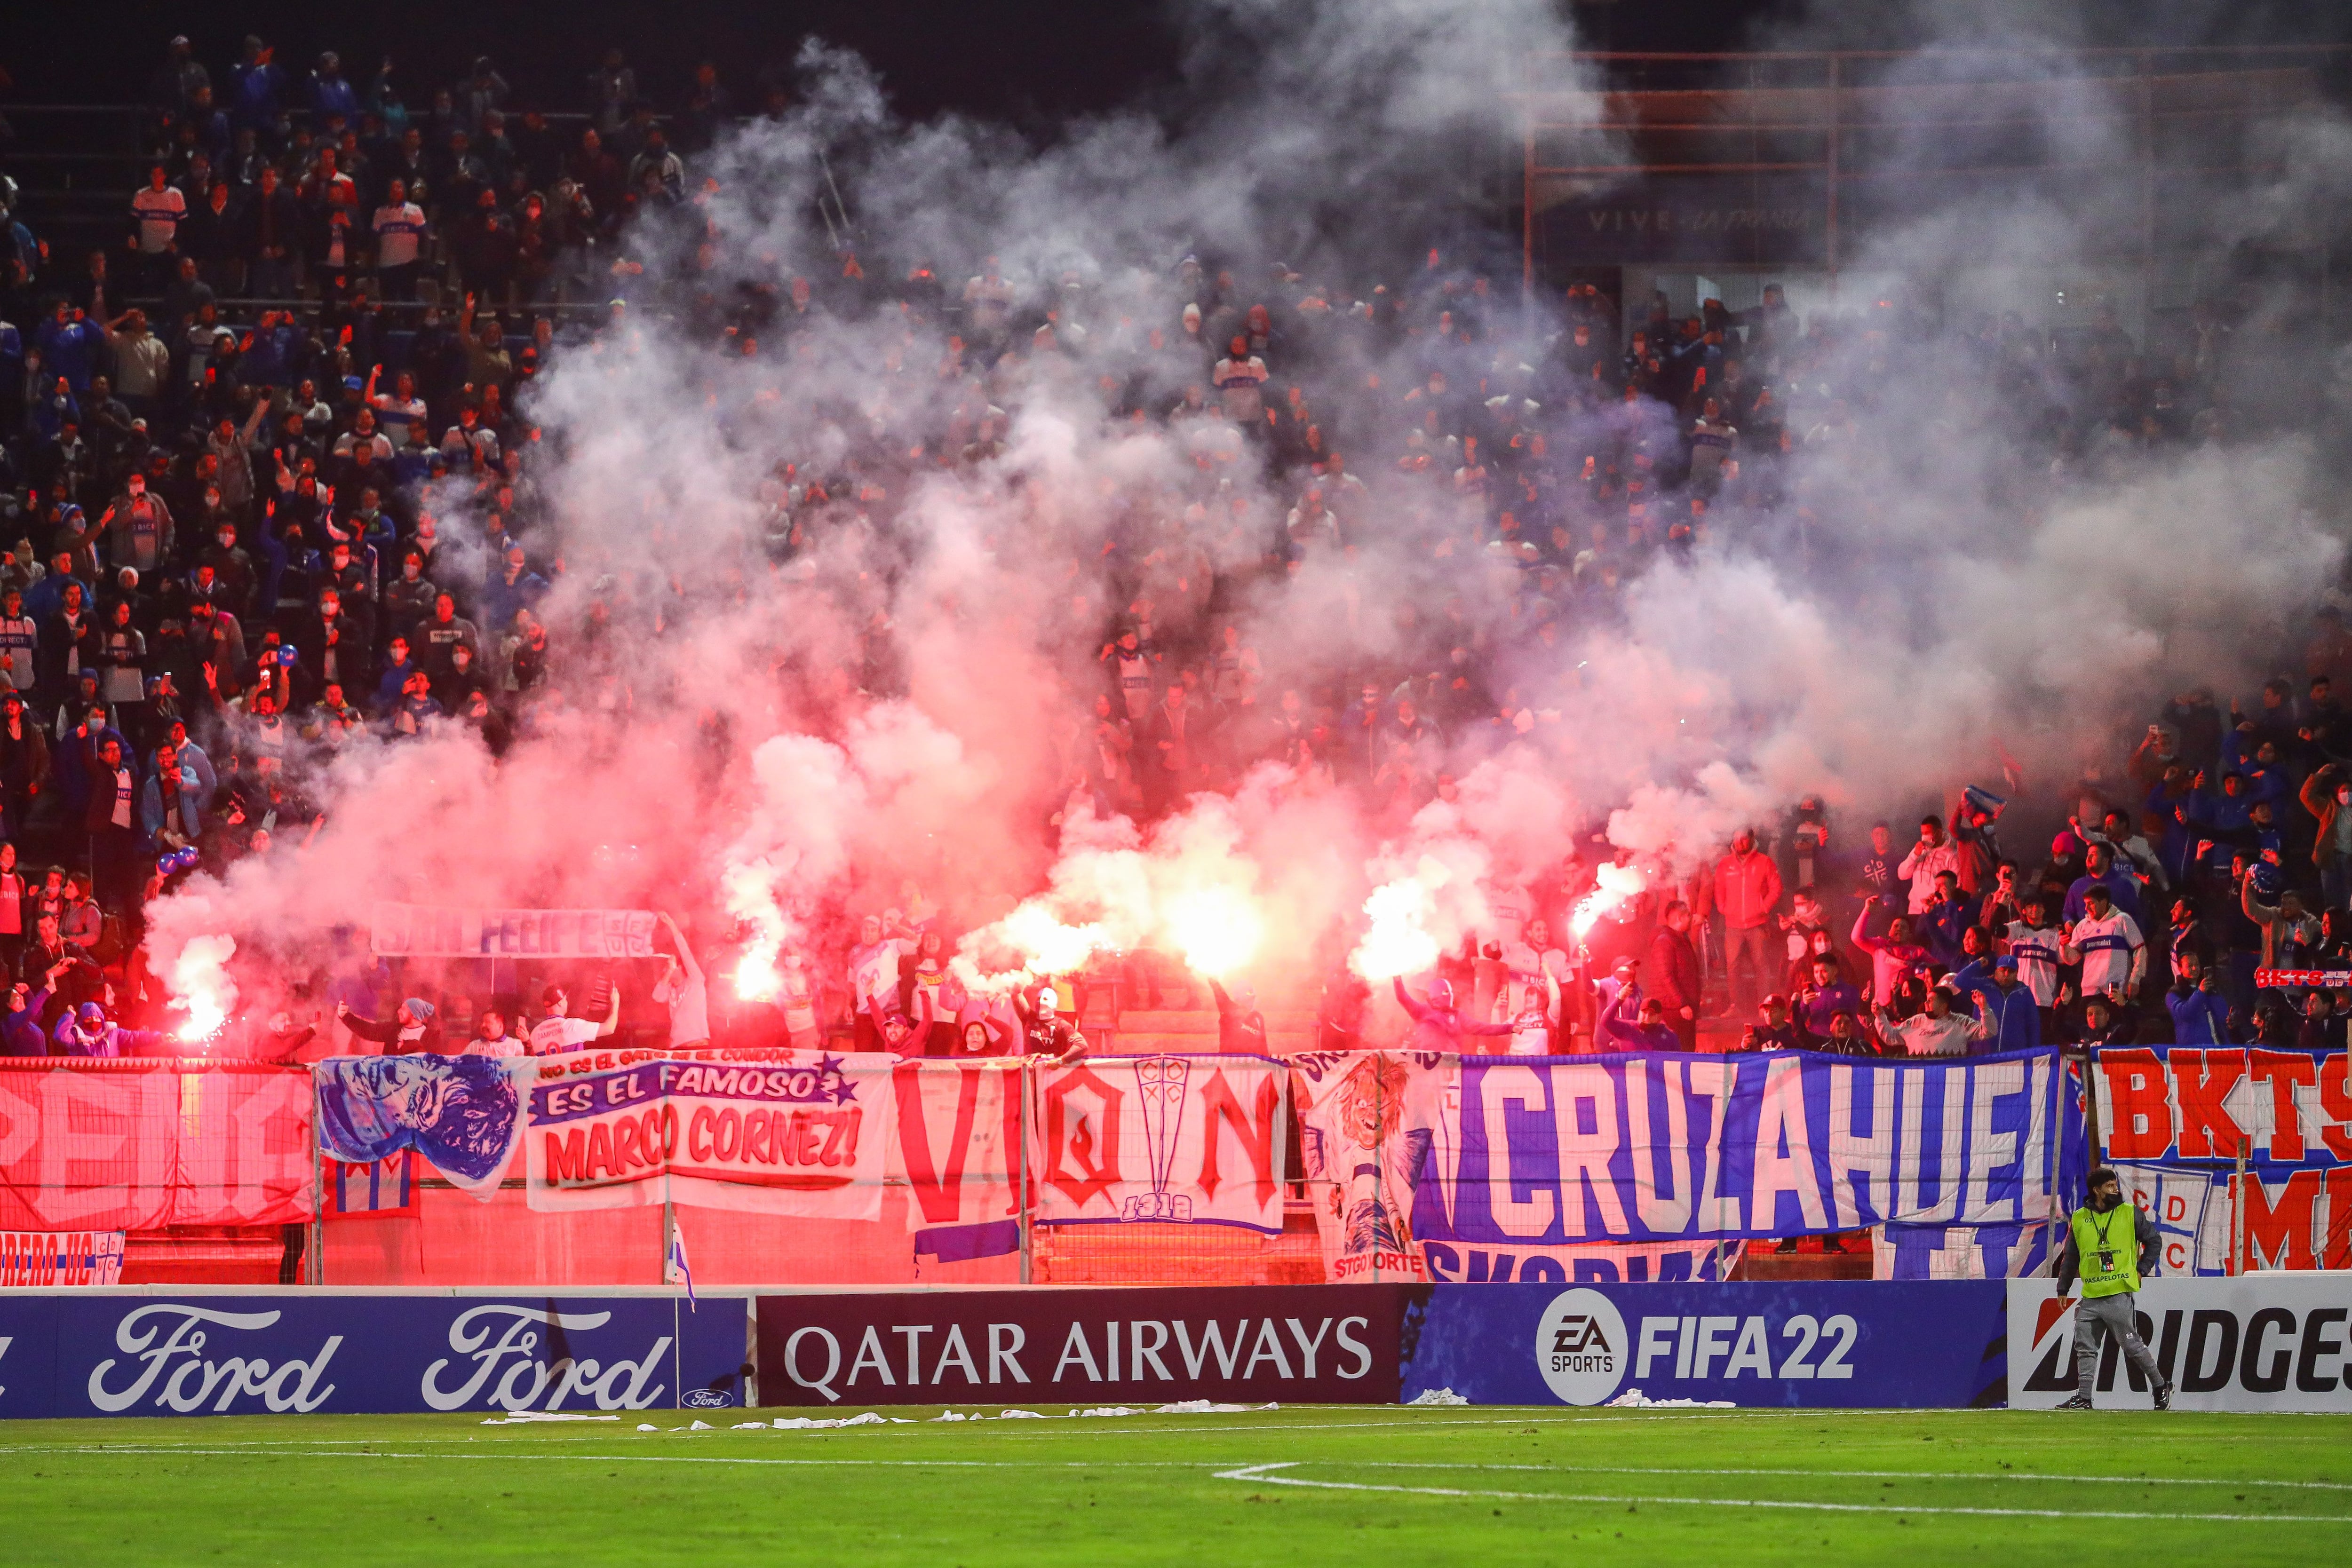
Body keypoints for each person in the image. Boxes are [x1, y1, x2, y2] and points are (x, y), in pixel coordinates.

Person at [2052, 1166, 2172, 1410]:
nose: (2116, 1189)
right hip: (2091, 1295)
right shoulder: (2079, 1218)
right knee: (2085, 1347)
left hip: (2118, 1293)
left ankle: (2161, 1386)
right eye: (2109, 1186)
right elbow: (2071, 1256)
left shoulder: (2129, 1213)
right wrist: (2063, 1287)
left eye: (2116, 1185)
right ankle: (2084, 1397)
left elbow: (2154, 1241)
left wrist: (2141, 1269)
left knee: (2132, 1346)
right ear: (2096, 1190)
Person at [1712, 829, 1783, 1016]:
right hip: (1733, 925)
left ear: (1752, 839)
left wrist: (1764, 907)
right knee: (1732, 966)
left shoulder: (1765, 862)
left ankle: (1765, 1005)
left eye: (1744, 839)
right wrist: (1722, 907)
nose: (1741, 843)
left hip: (1758, 923)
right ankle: (1736, 1006)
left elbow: (1776, 887)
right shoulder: (1725, 865)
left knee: (1761, 964)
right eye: (1737, 839)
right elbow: (1718, 887)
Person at [1391, 974, 1514, 1053]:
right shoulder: (1422, 1011)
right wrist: (1397, 979)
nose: (1450, 995)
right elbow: (1403, 998)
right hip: (1426, 1070)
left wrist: (1510, 1028)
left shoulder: (1458, 1016)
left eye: (1450, 992)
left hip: (1451, 1070)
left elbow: (1485, 1028)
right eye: (1446, 992)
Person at [652, 912, 709, 1048]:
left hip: (696, 1044)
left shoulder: (695, 980)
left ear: (679, 967)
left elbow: (685, 953)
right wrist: (669, 971)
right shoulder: (670, 989)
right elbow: (657, 997)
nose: (665, 971)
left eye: (668, 967)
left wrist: (671, 924)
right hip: (677, 1045)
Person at [528, 982, 618, 1055]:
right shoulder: (573, 1026)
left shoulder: (535, 1034)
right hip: (571, 1078)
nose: (567, 1002)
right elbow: (609, 1028)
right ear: (560, 1003)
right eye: (565, 1000)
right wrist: (616, 1003)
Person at [337, 996, 445, 1054]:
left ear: (415, 1014)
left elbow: (433, 1066)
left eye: (404, 1009)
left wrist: (408, 1046)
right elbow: (368, 1031)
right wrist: (346, 1016)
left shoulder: (432, 1037)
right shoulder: (393, 1030)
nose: (399, 1011)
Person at [1207, 976, 1267, 1053]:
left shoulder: (1258, 1018)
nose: (1251, 1002)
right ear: (1238, 998)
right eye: (1248, 999)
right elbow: (1220, 994)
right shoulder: (1229, 1010)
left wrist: (1266, 1063)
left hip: (1251, 1064)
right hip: (1229, 1063)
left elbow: (1263, 1046)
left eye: (1252, 999)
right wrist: (1214, 981)